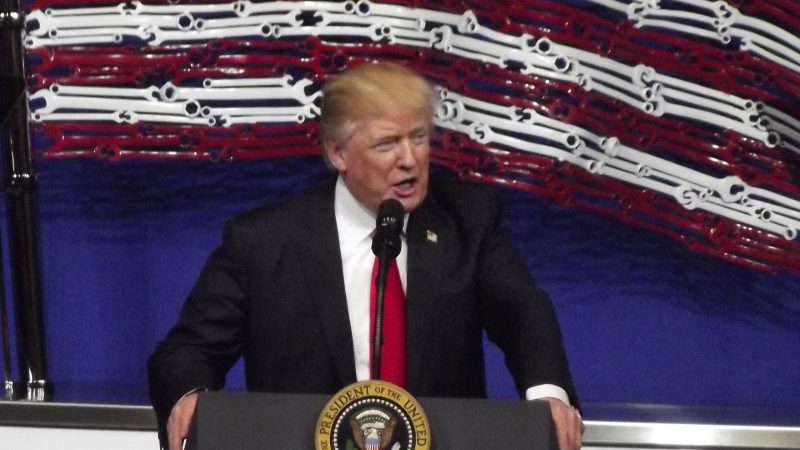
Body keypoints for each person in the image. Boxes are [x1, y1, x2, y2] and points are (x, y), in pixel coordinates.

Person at [148, 62, 584, 450]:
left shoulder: (468, 221)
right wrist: (190, 395)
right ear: (338, 152)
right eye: (386, 144)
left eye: (418, 138)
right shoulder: (263, 241)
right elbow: (188, 351)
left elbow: (524, 315)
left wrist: (549, 396)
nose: (409, 160)